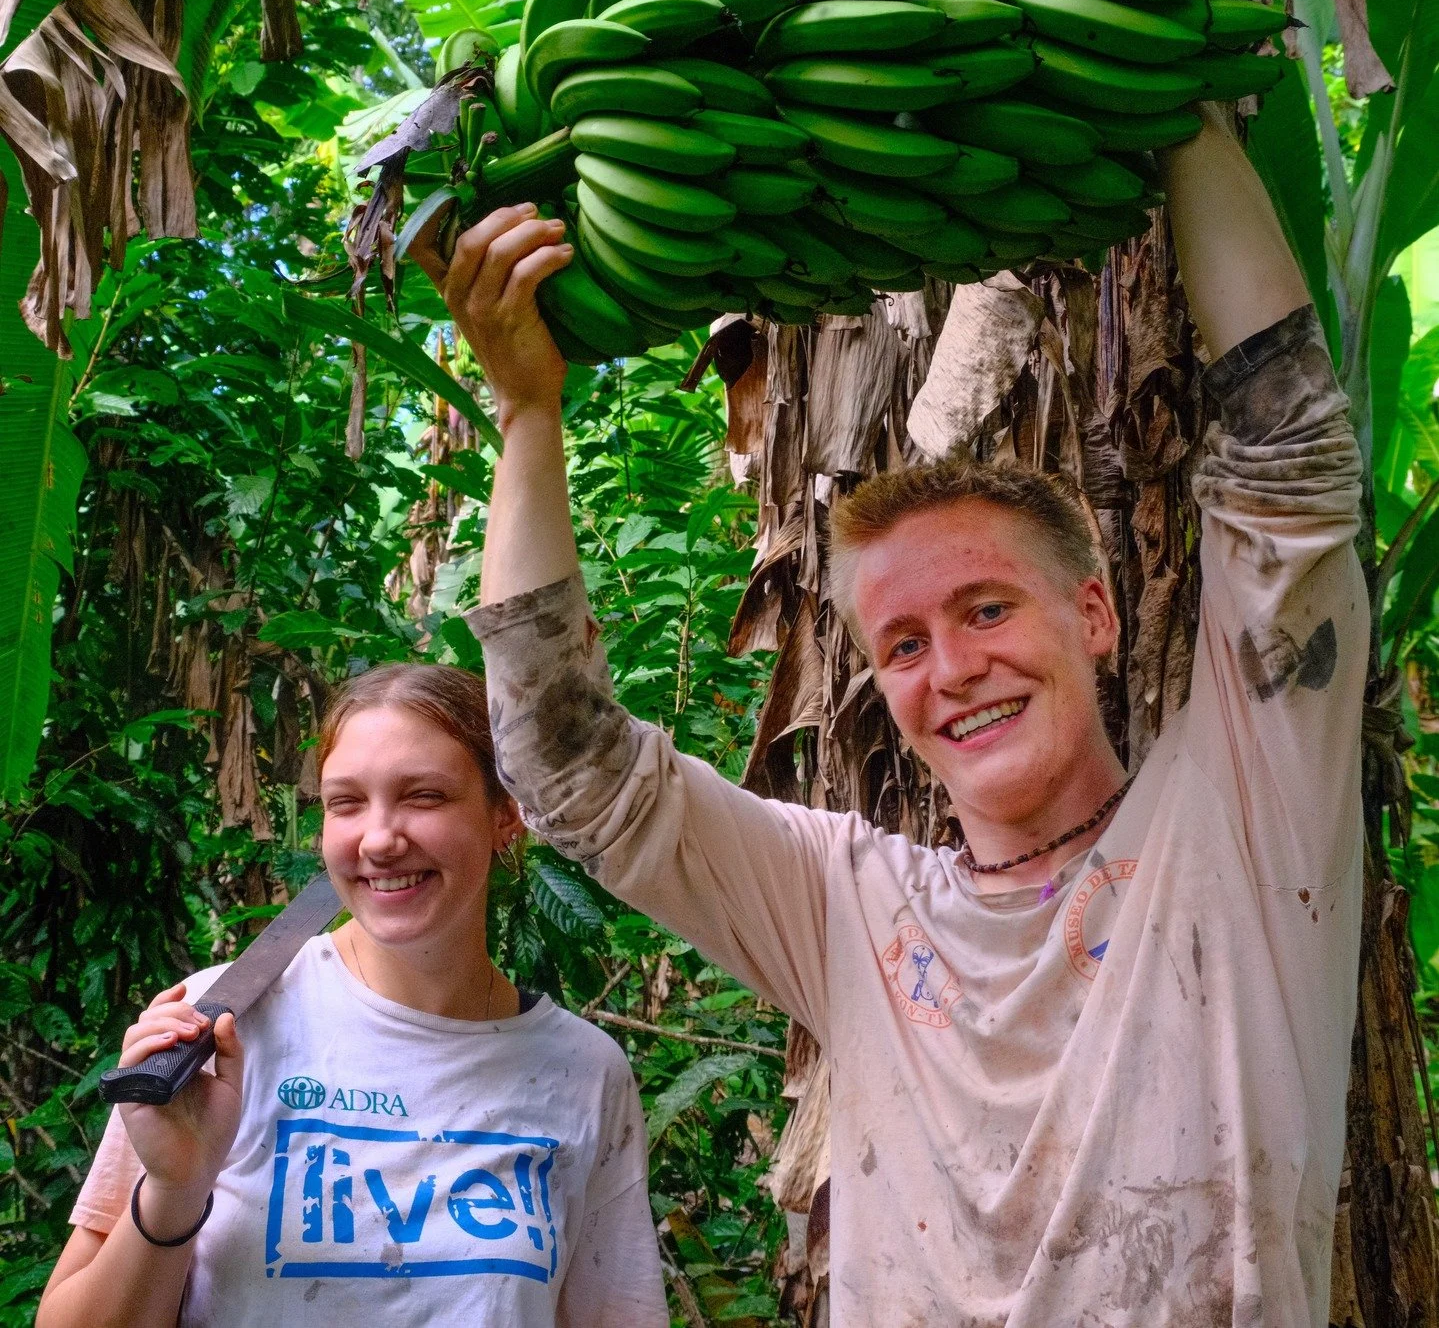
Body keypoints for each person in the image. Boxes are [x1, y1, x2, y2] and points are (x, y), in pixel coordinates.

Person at [409, 97, 1368, 1327]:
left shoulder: (1242, 822)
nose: (952, 667)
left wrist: (1178, 113)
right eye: (903, 643)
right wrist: (526, 416)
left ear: (1094, 616)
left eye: (986, 609)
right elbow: (567, 766)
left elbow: (1285, 476)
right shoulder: (852, 912)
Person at [39, 663, 667, 1327]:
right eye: (345, 802)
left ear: (505, 814)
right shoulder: (217, 1027)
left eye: (424, 795)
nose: (379, 839)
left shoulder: (584, 1072)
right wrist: (175, 1187)